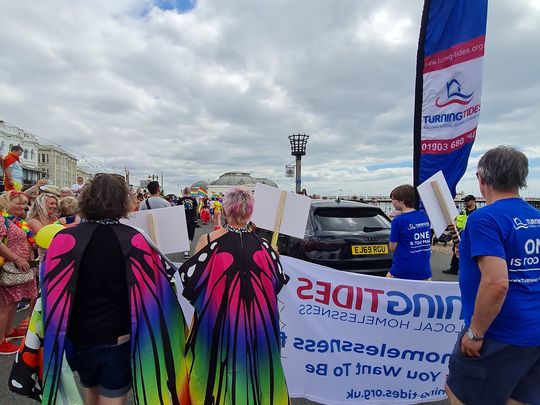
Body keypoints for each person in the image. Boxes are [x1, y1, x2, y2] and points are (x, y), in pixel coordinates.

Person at [9, 173, 189, 404]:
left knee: (91, 387)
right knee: (113, 394)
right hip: (119, 333)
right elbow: (158, 288)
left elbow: (50, 287)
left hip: (79, 332)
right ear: (122, 202)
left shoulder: (65, 239)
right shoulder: (135, 239)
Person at [446, 146, 540, 405]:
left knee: (458, 393)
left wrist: (475, 333)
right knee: (518, 398)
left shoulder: (484, 219)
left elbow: (497, 282)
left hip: (500, 333)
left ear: (481, 179)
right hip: (534, 331)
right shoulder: (536, 217)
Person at [179, 187, 290, 405]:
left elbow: (192, 283)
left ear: (227, 210)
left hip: (217, 322)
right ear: (250, 212)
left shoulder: (208, 241)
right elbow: (275, 284)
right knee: (254, 369)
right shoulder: (264, 246)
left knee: (216, 370)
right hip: (257, 325)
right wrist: (272, 255)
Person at [0, 191, 37, 355]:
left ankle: (8, 332)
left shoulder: (18, 221)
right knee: (6, 305)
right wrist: (16, 259)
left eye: (24, 203)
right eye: (18, 203)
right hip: (10, 266)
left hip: (18, 268)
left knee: (13, 302)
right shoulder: (2, 219)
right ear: (6, 202)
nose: (22, 206)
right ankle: (1, 341)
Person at [387, 184, 431, 280]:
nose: (392, 202)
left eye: (393, 199)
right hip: (424, 270)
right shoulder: (424, 216)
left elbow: (392, 247)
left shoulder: (398, 221)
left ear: (402, 200)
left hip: (403, 271)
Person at [443, 195, 478, 275]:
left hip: (470, 235)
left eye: (467, 201)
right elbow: (458, 222)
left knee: (468, 252)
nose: (465, 202)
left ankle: (468, 269)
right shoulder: (463, 210)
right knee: (456, 251)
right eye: (464, 201)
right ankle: (454, 268)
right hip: (459, 234)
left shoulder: (476, 213)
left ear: (473, 201)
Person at [178, 187, 198, 258]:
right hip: (192, 220)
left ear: (183, 192)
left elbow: (177, 211)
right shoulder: (193, 200)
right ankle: (186, 249)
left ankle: (185, 249)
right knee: (190, 235)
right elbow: (196, 210)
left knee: (184, 234)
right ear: (190, 192)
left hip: (182, 219)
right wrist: (196, 218)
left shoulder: (180, 200)